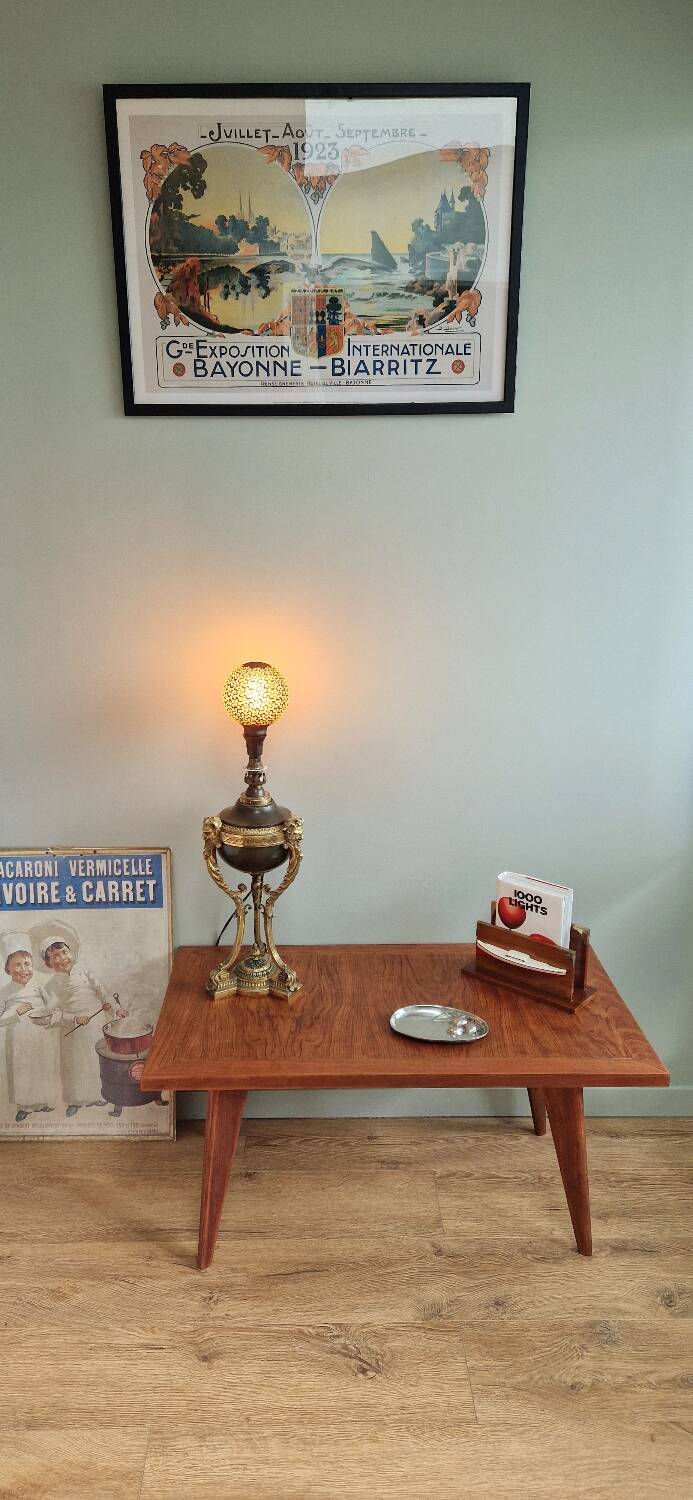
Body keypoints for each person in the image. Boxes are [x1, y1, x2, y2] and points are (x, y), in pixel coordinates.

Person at [35, 922, 125, 1118]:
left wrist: (117, 1010)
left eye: (64, 952)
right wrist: (74, 1019)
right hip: (72, 1031)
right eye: (55, 956)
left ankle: (98, 1095)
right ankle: (75, 1101)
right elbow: (52, 1013)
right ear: (48, 963)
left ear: (72, 953)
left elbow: (104, 995)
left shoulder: (86, 974)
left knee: (96, 1061)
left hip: (95, 1026)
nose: (62, 958)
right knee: (75, 1065)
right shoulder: (51, 985)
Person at [0, 931, 62, 1123]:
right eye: (17, 965)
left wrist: (51, 1011)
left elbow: (53, 1005)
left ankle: (41, 1102)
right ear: (8, 969)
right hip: (18, 1039)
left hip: (40, 1035)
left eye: (27, 964)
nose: (24, 969)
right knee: (22, 1071)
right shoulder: (5, 992)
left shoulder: (37, 987)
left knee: (41, 1067)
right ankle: (24, 1107)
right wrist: (16, 1012)